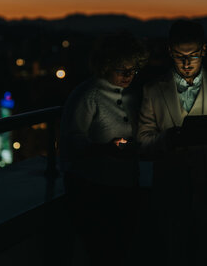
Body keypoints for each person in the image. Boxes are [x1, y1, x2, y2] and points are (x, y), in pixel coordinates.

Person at [137, 20, 207, 266]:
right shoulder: (153, 90)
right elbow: (143, 141)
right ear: (169, 51)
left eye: (193, 55)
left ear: (204, 50)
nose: (187, 63)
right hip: (173, 196)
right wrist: (168, 139)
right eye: (180, 56)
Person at [59, 31, 148, 265]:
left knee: (120, 251)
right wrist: (103, 149)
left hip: (127, 186)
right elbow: (70, 142)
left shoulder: (133, 95)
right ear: (105, 65)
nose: (129, 75)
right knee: (102, 253)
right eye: (122, 70)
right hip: (95, 191)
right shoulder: (88, 95)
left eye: (133, 70)